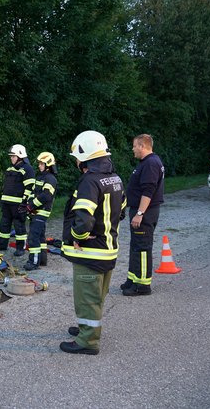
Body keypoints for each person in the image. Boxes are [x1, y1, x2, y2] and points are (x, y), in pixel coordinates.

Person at [60, 130, 126, 355]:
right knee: (96, 295)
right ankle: (85, 328)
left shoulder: (90, 180)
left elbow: (84, 218)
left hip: (90, 252)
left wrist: (78, 237)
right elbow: (122, 210)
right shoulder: (115, 178)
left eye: (77, 157)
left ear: (86, 155)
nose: (76, 162)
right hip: (108, 249)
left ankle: (87, 341)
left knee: (87, 297)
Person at [121, 134, 165, 296]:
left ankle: (143, 285)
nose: (133, 149)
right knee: (136, 246)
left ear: (142, 146)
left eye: (134, 146)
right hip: (141, 210)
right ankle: (132, 279)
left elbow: (148, 191)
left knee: (143, 248)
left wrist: (139, 213)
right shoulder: (147, 162)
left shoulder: (151, 164)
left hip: (145, 212)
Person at [0, 144, 35, 255]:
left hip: (18, 203)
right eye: (11, 156)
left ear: (20, 156)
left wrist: (25, 202)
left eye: (13, 156)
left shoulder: (27, 169)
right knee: (4, 224)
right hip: (7, 202)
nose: (11, 158)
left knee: (19, 226)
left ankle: (20, 248)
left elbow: (30, 187)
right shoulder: (10, 168)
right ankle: (1, 244)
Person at [23, 152, 58, 270]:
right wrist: (28, 205)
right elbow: (34, 193)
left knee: (33, 237)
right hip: (36, 211)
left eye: (41, 163)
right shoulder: (40, 177)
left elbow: (46, 196)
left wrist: (31, 206)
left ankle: (33, 262)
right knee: (41, 237)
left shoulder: (50, 179)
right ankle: (42, 259)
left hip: (42, 211)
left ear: (48, 165)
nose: (39, 165)